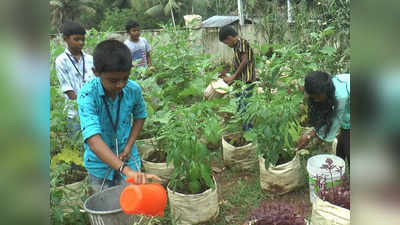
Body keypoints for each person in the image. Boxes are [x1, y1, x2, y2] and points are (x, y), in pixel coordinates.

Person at [77, 40, 160, 193]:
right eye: (113, 80)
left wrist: (128, 146)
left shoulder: (133, 89)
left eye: (125, 78)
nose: (120, 85)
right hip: (99, 165)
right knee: (105, 205)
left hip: (128, 157)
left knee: (132, 203)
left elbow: (140, 115)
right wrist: (125, 170)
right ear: (96, 72)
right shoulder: (88, 95)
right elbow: (93, 141)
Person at [297, 72, 350, 163]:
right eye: (313, 97)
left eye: (316, 96)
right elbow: (328, 114)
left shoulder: (341, 96)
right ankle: (340, 170)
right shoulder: (326, 85)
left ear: (324, 92)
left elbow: (335, 119)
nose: (315, 100)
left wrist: (312, 136)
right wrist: (312, 133)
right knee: (342, 145)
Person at [55, 21, 95, 135]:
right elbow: (68, 90)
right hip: (74, 115)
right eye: (76, 39)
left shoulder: (90, 59)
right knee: (76, 146)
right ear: (66, 39)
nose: (81, 42)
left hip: (93, 113)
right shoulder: (61, 61)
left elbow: (96, 83)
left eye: (83, 39)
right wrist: (86, 102)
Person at [218, 26, 256, 130]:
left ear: (230, 38)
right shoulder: (236, 47)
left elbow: (245, 61)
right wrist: (226, 73)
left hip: (247, 81)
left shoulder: (242, 43)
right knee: (240, 105)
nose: (227, 45)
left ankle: (248, 131)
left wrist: (233, 77)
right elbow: (237, 63)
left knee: (244, 107)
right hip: (241, 82)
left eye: (226, 43)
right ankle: (247, 129)